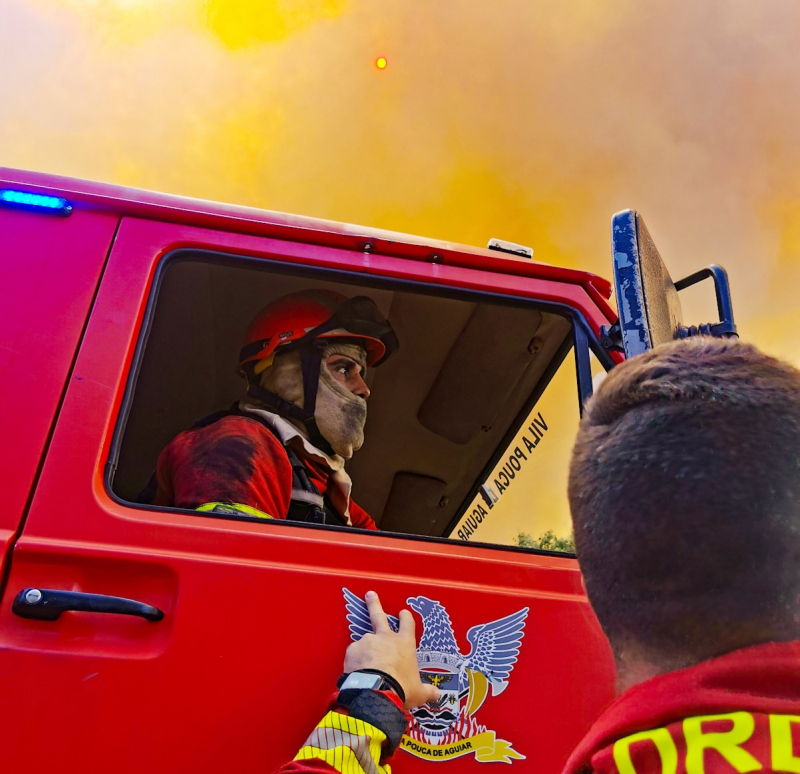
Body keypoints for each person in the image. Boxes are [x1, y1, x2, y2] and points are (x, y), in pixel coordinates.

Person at [275, 337, 800, 774]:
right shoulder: (247, 446)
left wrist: (372, 695)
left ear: (595, 584)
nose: (363, 389)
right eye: (345, 369)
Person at [147, 289, 399, 529]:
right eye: (343, 369)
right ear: (288, 374)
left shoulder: (326, 485)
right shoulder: (236, 447)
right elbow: (230, 567)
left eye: (361, 372)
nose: (364, 389)